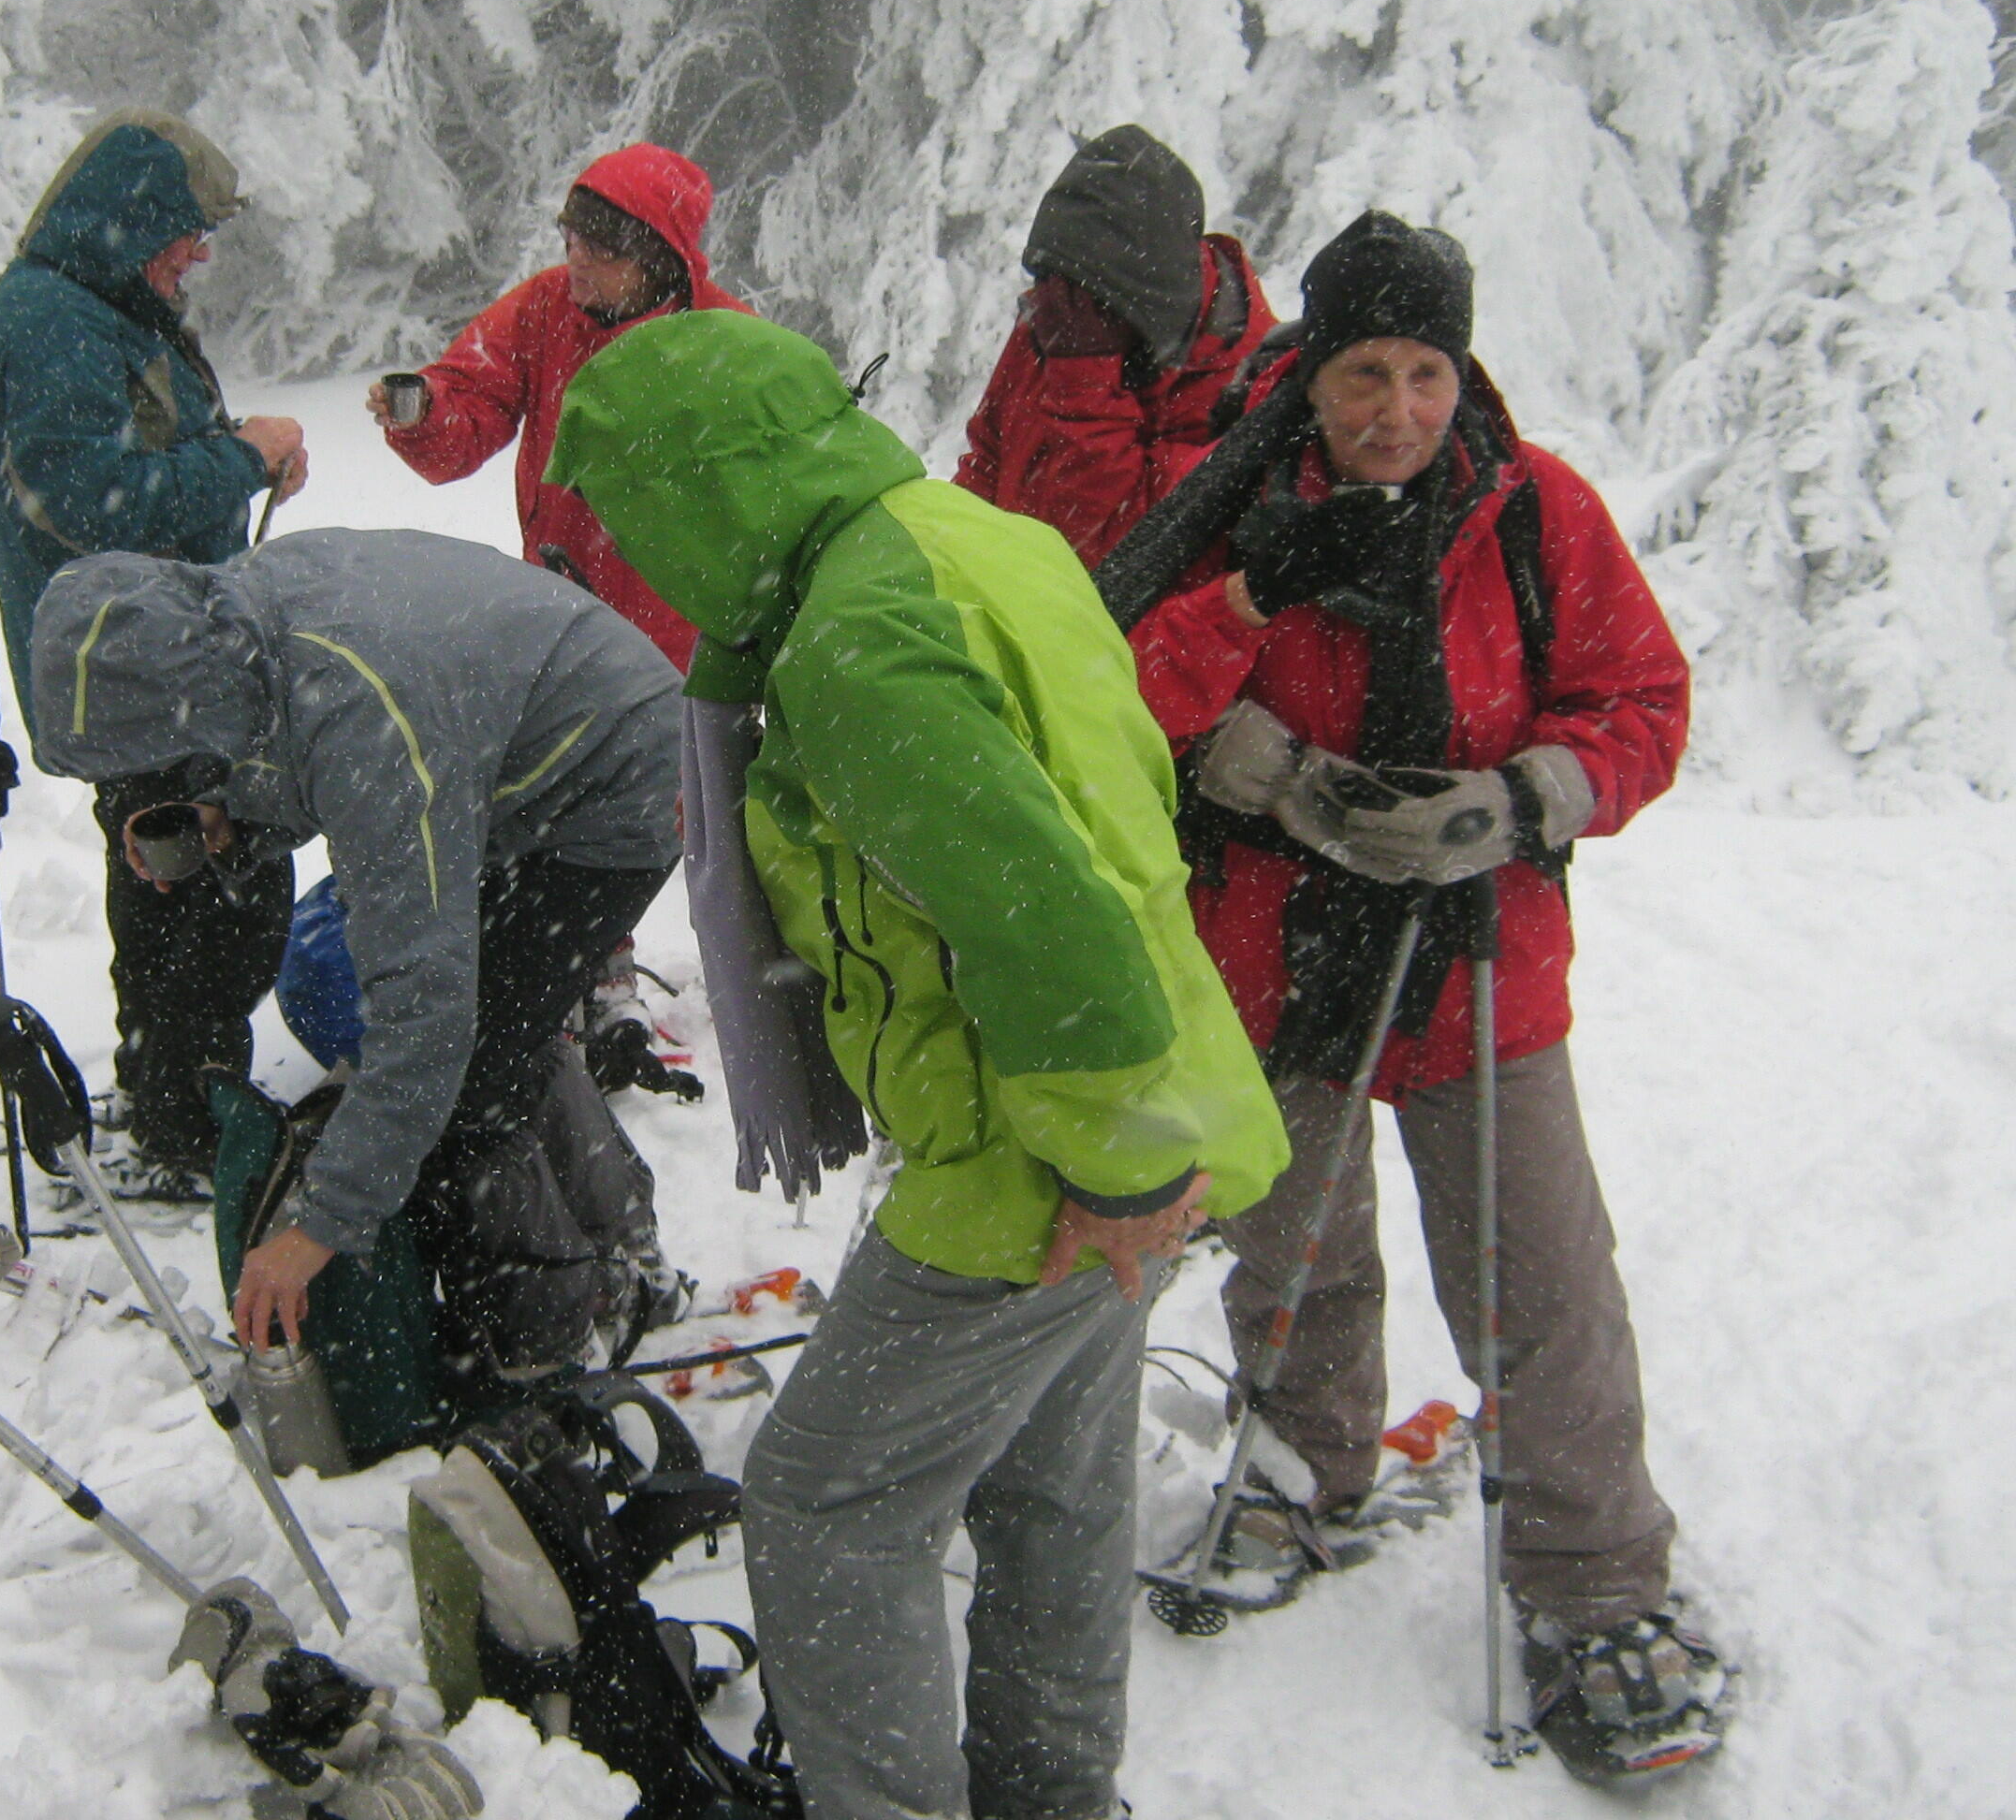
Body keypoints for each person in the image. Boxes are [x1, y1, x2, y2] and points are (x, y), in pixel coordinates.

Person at [546, 310, 1288, 1820]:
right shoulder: (970, 540)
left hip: (1050, 1140)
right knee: (1053, 1485)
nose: (633, 552)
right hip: (1153, 1084)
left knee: (824, 1504)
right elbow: (1110, 797)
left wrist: (1113, 1162)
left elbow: (1040, 906)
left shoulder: (854, 642)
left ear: (707, 487)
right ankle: (1050, 1793)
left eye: (635, 513)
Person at [1111, 210, 1726, 1780]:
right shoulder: (1240, 508)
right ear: (1311, 374)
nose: (1396, 410)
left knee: (1539, 1277)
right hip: (1275, 951)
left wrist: (1521, 798)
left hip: (1477, 961)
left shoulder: (1532, 511)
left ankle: (1597, 1582)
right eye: (1363, 373)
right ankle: (1301, 1467)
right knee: (1292, 1246)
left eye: (1426, 373)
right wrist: (1257, 726)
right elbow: (1119, 692)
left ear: (1463, 373)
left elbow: (1644, 700)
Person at [25, 527, 687, 1377]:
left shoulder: (363, 718)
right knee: (495, 1029)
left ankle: (547, 1339)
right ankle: (622, 1248)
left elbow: (424, 1013)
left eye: (170, 759)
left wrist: (319, 1227)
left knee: (463, 1072)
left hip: (618, 780)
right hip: (512, 756)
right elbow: (295, 742)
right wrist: (234, 813)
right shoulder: (239, 623)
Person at [0, 111, 308, 1190]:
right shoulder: (52, 323)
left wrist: (239, 458)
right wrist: (239, 460)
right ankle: (185, 1124)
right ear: (132, 218)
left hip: (157, 660)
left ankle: (171, 1091)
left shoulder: (99, 310)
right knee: (215, 890)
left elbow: (136, 459)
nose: (198, 253)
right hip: (132, 674)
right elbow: (91, 501)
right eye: (188, 229)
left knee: (182, 884)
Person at [367, 142, 747, 672]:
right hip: (557, 612)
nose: (578, 259)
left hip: (683, 639)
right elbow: (469, 413)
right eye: (571, 238)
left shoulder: (730, 341)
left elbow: (777, 494)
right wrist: (425, 412)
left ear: (657, 259)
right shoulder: (545, 307)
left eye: (602, 248)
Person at [954, 124, 1278, 564]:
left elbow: (1109, 553)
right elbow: (988, 459)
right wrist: (949, 562)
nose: (1048, 303)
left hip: (1079, 605)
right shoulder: (1065, 307)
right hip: (1005, 589)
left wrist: (1084, 376)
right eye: (1048, 280)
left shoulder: (1244, 389)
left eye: (1071, 291)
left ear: (1138, 304)